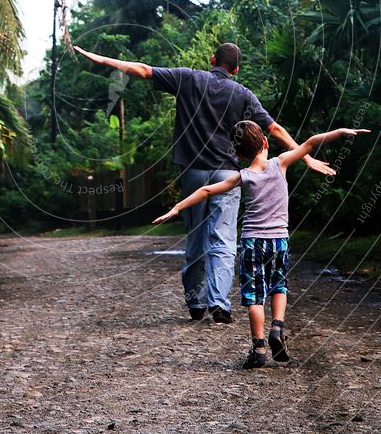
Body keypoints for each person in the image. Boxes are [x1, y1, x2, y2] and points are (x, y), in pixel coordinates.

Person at [73, 42, 335, 323]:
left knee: (196, 238)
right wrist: (306, 158)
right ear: (236, 69)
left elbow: (144, 70)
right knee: (223, 239)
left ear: (212, 59)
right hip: (227, 172)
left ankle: (196, 303)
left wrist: (101, 58)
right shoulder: (243, 93)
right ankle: (219, 303)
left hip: (194, 171)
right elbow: (274, 129)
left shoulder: (188, 78)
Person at [153, 121, 370, 368]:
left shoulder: (242, 176)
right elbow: (310, 142)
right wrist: (341, 132)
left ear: (238, 154)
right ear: (265, 143)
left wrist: (177, 207)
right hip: (279, 241)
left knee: (254, 296)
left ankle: (258, 347)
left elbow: (206, 191)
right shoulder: (281, 163)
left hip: (252, 243)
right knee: (279, 286)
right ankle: (277, 327)